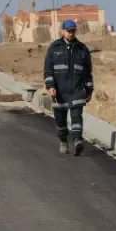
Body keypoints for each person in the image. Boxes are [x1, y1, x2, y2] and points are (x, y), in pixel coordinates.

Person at [44, 19, 94, 155]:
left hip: (77, 90)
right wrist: (50, 86)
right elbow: (48, 71)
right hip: (59, 92)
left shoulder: (82, 49)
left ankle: (77, 140)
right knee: (60, 121)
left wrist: (89, 90)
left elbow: (87, 73)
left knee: (77, 118)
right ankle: (63, 140)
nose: (71, 33)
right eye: (68, 31)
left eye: (73, 31)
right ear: (62, 31)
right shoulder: (54, 48)